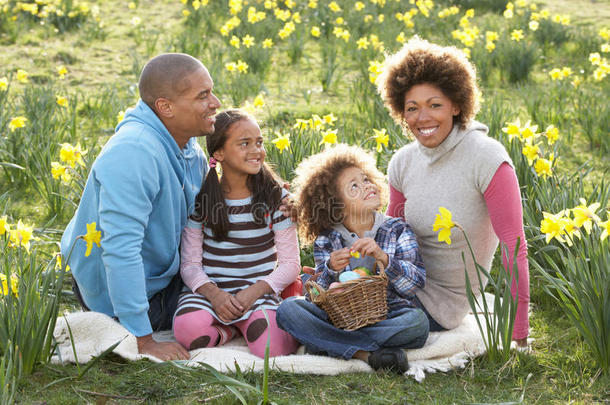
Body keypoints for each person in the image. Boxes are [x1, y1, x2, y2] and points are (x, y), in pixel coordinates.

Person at [60, 53, 221, 361]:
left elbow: (203, 222)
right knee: (224, 312)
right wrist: (144, 341)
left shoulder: (187, 147)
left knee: (248, 289)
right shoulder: (133, 155)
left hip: (163, 272)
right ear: (165, 107)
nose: (215, 102)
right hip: (119, 294)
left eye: (211, 91)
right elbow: (120, 250)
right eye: (203, 96)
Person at [377, 37, 530, 346]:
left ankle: (340, 341)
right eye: (412, 108)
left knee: (334, 320)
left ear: (457, 105)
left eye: (435, 105)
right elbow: (390, 237)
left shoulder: (487, 158)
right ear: (401, 113)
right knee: (306, 308)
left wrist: (519, 333)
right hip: (398, 286)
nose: (423, 118)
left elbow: (515, 246)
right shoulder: (403, 162)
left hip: (441, 306)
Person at [276, 144, 429, 373]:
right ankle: (366, 355)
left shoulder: (397, 229)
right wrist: (329, 270)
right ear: (336, 206)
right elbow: (319, 298)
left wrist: (384, 258)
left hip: (388, 315)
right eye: (354, 186)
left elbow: (414, 284)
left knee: (417, 323)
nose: (367, 185)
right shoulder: (327, 240)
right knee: (288, 309)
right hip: (338, 318)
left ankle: (326, 342)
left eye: (366, 179)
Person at [172, 109, 300, 358]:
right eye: (245, 143)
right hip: (210, 295)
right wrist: (215, 295)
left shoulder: (277, 200)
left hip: (259, 294)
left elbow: (290, 265)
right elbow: (189, 264)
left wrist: (253, 293)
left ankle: (247, 326)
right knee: (187, 331)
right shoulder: (201, 201)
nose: (257, 151)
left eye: (259, 142)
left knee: (273, 349)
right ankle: (228, 331)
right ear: (218, 153)